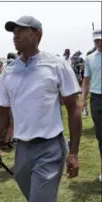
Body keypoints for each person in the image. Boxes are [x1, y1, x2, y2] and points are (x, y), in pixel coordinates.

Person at [0, 16, 82, 202]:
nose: (15, 36)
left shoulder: (57, 65)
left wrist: (73, 152)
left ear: (37, 34)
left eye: (21, 31)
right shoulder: (9, 71)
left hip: (50, 147)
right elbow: (1, 111)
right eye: (14, 33)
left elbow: (73, 108)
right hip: (22, 148)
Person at [81, 28, 102, 182]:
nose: (99, 42)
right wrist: (83, 100)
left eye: (101, 39)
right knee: (101, 136)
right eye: (96, 40)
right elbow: (86, 80)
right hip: (96, 99)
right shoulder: (89, 58)